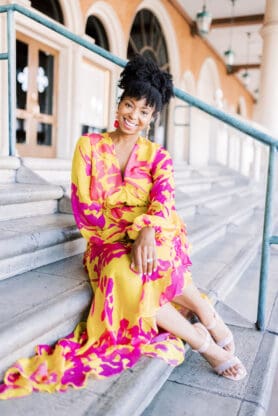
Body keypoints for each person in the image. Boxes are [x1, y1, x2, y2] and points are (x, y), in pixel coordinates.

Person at [0, 55, 246, 401]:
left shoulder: (158, 156)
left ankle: (205, 311)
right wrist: (131, 233)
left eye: (144, 112)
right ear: (119, 103)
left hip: (155, 232)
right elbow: (85, 210)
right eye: (129, 105)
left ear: (152, 118)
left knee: (155, 252)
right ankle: (204, 342)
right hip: (105, 240)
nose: (134, 116)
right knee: (126, 271)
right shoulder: (89, 147)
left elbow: (164, 200)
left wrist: (146, 229)